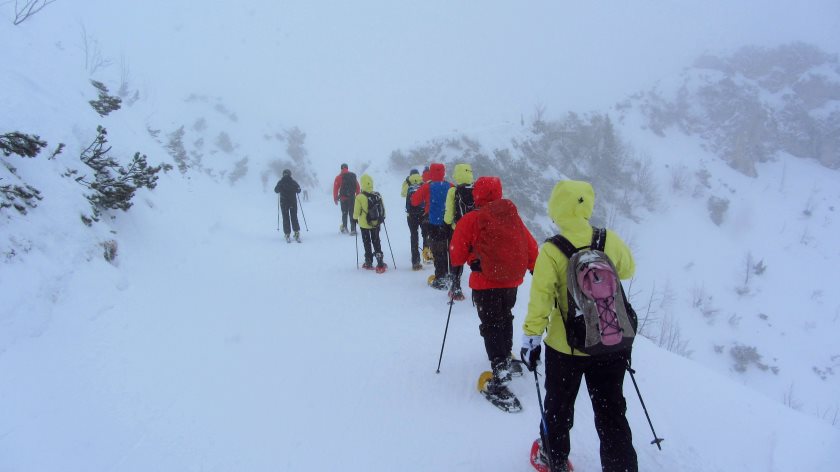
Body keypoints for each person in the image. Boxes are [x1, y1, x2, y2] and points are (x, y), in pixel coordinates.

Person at [520, 180, 638, 472]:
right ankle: (620, 467)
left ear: (557, 208)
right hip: (610, 341)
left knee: (559, 408)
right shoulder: (607, 238)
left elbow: (541, 300)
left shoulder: (551, 249)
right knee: (611, 412)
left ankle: (554, 458)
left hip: (567, 347)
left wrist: (531, 337)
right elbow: (628, 268)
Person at [449, 176, 538, 397]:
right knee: (505, 315)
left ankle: (499, 367)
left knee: (490, 323)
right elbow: (531, 246)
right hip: (511, 282)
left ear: (476, 194)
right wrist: (535, 269)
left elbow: (457, 254)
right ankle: (506, 354)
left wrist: (466, 259)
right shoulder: (512, 218)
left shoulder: (472, 219)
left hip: (485, 282)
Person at [410, 163, 453, 289]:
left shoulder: (427, 186)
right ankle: (449, 274)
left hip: (434, 223)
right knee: (448, 249)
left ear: (431, 172)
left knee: (438, 250)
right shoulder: (450, 186)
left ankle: (440, 278)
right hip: (448, 223)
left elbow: (414, 201)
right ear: (443, 172)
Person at [443, 163, 475, 300]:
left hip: (458, 230)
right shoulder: (476, 189)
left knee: (457, 258)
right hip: (474, 231)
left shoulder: (453, 191)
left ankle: (455, 288)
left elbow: (449, 215)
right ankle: (479, 290)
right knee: (476, 258)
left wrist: (447, 224)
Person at [353, 174, 387, 271]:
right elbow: (382, 209)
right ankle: (380, 262)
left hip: (364, 225)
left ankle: (368, 261)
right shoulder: (377, 195)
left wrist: (354, 219)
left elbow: (356, 212)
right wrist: (382, 218)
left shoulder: (359, 197)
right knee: (376, 241)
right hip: (376, 224)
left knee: (366, 242)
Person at [401, 168, 426, 271]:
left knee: (414, 235)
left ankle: (415, 261)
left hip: (411, 215)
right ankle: (427, 254)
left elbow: (403, 194)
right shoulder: (422, 181)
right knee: (425, 233)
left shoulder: (407, 182)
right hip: (423, 213)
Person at [274, 169, 302, 243]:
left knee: (285, 218)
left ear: (283, 174)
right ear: (290, 174)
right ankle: (296, 233)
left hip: (284, 203)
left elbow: (276, 190)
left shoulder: (280, 182)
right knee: (294, 217)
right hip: (293, 202)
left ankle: (287, 234)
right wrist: (295, 189)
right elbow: (299, 190)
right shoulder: (293, 182)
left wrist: (280, 188)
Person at [333, 163, 360, 235]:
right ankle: (353, 229)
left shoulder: (339, 177)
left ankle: (345, 228)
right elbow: (357, 187)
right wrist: (357, 196)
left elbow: (335, 188)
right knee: (352, 213)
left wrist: (335, 198)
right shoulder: (352, 176)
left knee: (344, 213)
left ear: (341, 168)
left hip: (343, 198)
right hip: (352, 198)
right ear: (347, 168)